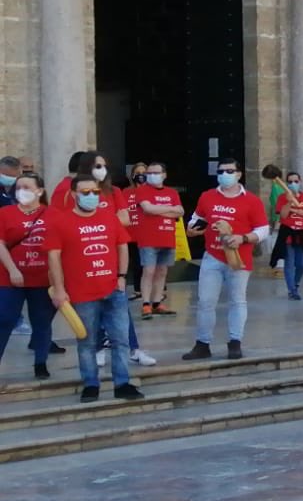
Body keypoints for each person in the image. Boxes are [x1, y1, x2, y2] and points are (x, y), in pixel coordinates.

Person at [44, 173, 140, 401]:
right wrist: (59, 289)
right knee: (86, 342)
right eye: (85, 192)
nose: (91, 196)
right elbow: (53, 258)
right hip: (82, 293)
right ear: (74, 194)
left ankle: (122, 383)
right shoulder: (60, 221)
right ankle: (90, 383)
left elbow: (122, 246)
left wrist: (122, 276)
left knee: (121, 340)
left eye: (95, 192)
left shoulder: (109, 217)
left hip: (113, 289)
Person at [183, 160, 269, 362]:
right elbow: (196, 218)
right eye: (221, 171)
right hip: (212, 255)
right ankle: (203, 344)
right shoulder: (207, 196)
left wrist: (244, 238)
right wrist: (193, 228)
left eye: (229, 171)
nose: (224, 174)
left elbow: (263, 230)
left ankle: (235, 342)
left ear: (239, 174)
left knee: (237, 301)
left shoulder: (252, 201)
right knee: (205, 302)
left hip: (238, 258)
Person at [0, 174, 55, 379]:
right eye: (18, 187)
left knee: (42, 321)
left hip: (42, 277)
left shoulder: (52, 214)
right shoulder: (5, 213)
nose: (22, 190)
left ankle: (40, 363)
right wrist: (13, 269)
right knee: (4, 319)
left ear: (39, 191)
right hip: (9, 277)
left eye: (27, 187)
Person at [131, 162, 184, 316]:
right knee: (148, 270)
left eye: (156, 173)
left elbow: (180, 211)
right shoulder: (143, 191)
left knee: (162, 271)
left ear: (164, 175)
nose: (152, 176)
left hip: (167, 237)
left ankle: (157, 302)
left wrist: (158, 211)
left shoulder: (172, 193)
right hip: (148, 238)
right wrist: (170, 209)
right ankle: (146, 303)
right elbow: (148, 209)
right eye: (149, 173)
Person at [273, 171, 303, 301]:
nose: (293, 184)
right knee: (289, 263)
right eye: (290, 182)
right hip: (287, 232)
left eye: (295, 181)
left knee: (302, 264)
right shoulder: (281, 198)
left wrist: (296, 210)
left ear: (300, 182)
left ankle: (295, 283)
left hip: (302, 233)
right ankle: (292, 290)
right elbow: (283, 215)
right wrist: (289, 203)